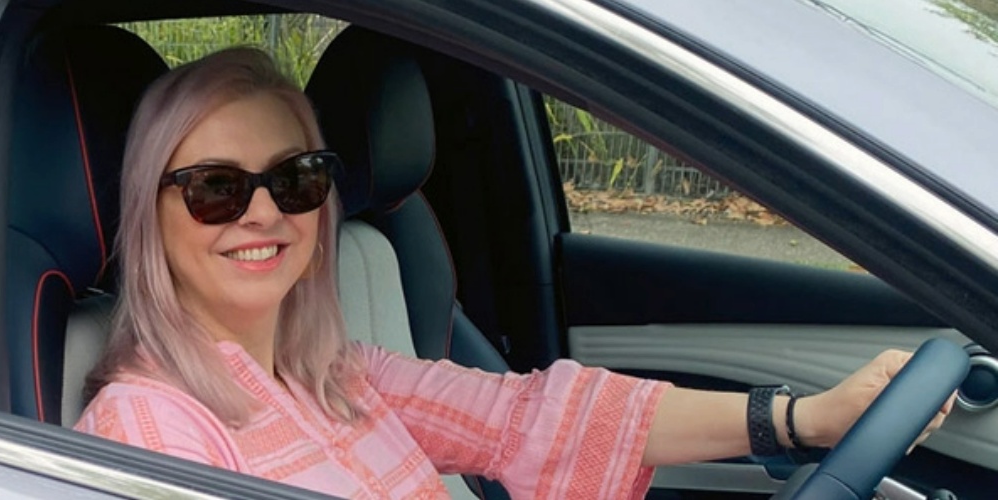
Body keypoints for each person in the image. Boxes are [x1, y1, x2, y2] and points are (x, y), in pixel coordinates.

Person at [72, 47, 950, 499]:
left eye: (296, 178)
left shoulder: (332, 371)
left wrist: (802, 419)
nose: (264, 213)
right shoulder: (149, 425)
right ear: (148, 213)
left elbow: (528, 416)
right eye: (216, 190)